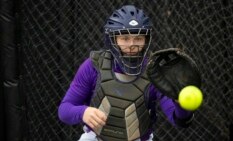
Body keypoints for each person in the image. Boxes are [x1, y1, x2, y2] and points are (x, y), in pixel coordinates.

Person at [58, 5, 196, 141]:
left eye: (138, 38)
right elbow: (64, 110)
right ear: (113, 40)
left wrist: (179, 101)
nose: (132, 44)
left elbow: (181, 121)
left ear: (146, 40)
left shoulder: (155, 72)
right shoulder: (93, 66)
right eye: (125, 38)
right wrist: (82, 112)